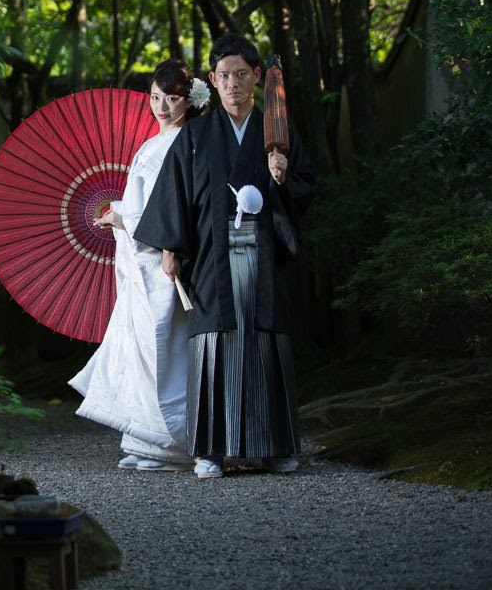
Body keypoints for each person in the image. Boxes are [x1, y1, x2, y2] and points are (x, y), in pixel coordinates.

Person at [134, 34, 317, 479]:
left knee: (265, 342)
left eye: (241, 74)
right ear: (212, 81)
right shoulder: (195, 135)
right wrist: (172, 248)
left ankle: (275, 448)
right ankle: (210, 451)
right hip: (211, 256)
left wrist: (282, 177)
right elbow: (175, 194)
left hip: (263, 254)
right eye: (224, 76)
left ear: (257, 76)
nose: (233, 83)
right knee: (214, 346)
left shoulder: (277, 132)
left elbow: (306, 186)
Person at [69, 60, 209, 472]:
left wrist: (123, 218)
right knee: (141, 350)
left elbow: (173, 209)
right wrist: (121, 214)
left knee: (163, 348)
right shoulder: (152, 144)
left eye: (172, 98)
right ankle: (142, 438)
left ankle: (173, 445)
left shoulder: (188, 143)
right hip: (139, 262)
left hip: (162, 260)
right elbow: (143, 203)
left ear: (191, 100)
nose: (161, 106)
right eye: (155, 97)